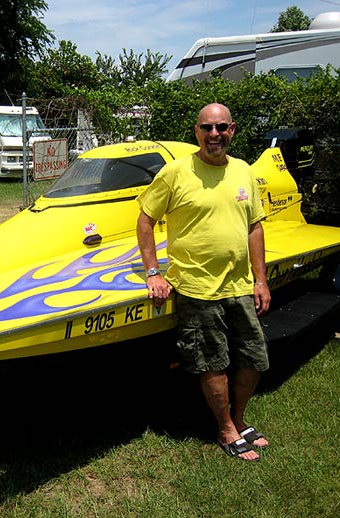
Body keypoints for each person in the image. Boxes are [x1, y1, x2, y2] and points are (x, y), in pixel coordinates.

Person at [136, 103, 271, 461]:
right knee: (212, 362)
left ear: (233, 130)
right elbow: (146, 220)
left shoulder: (243, 170)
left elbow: (255, 227)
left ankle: (239, 419)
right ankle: (226, 429)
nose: (215, 135)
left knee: (254, 358)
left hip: (240, 285)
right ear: (196, 132)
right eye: (207, 128)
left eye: (222, 127)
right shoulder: (175, 173)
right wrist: (153, 272)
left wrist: (261, 279)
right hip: (197, 287)